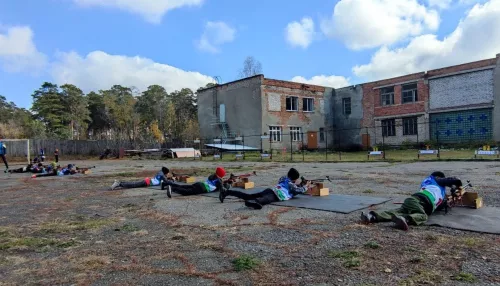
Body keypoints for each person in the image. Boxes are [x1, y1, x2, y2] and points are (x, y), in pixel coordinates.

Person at [360, 171, 463, 231]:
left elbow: (438, 205)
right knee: (422, 216)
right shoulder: (436, 179)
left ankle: (372, 217)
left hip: (413, 201)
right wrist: (457, 186)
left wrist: (449, 199)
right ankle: (406, 220)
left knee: (397, 211)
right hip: (420, 202)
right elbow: (455, 180)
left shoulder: (430, 185)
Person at [219, 168, 311, 209]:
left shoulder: (284, 178)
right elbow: (296, 190)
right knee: (265, 200)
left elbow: (291, 186)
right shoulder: (291, 185)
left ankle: (227, 192)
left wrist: (300, 184)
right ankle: (255, 203)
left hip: (270, 190)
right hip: (277, 195)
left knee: (248, 195)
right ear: (294, 178)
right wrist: (305, 186)